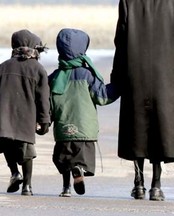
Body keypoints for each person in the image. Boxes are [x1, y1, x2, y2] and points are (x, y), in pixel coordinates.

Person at [111, 0, 174, 201]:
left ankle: (138, 183)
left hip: (135, 72)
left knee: (137, 126)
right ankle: (156, 185)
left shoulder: (128, 1)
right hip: (166, 75)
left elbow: (120, 40)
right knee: (160, 126)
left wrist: (119, 74)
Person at [49, 28, 117, 197]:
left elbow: (47, 104)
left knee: (64, 160)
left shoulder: (55, 77)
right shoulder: (87, 75)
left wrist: (44, 121)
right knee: (79, 159)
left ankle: (66, 188)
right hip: (85, 129)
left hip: (63, 128)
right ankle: (79, 169)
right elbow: (102, 97)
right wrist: (119, 86)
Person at [0, 29, 50, 196]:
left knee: (6, 144)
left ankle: (14, 172)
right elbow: (43, 99)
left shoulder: (3, 67)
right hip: (26, 118)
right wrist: (44, 121)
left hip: (4, 117)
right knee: (26, 151)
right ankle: (27, 186)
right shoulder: (38, 69)